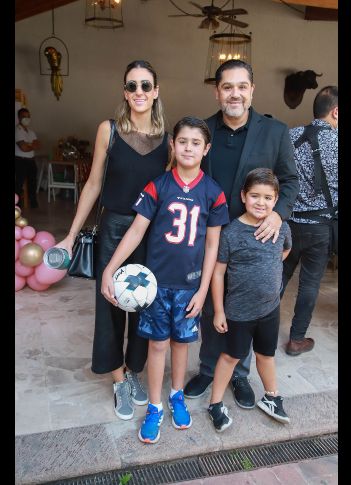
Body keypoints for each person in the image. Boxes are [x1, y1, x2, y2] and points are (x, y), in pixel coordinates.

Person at [54, 60, 170, 421]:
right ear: (125, 92)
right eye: (132, 86)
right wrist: (72, 235)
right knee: (109, 305)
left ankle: (134, 369)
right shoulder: (109, 130)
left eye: (145, 86)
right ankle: (118, 378)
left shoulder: (167, 138)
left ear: (156, 91)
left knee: (143, 304)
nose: (139, 92)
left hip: (149, 231)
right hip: (114, 228)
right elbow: (92, 185)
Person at [101, 116, 229, 444]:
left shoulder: (213, 193)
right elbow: (137, 229)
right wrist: (110, 268)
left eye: (196, 143)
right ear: (172, 145)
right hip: (154, 285)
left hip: (190, 286)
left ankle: (176, 396)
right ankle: (155, 407)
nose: (188, 148)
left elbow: (212, 244)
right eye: (182, 141)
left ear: (206, 148)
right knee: (157, 344)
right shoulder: (158, 186)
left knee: (182, 343)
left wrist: (203, 291)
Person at [183, 60, 298, 410]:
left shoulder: (276, 132)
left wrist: (278, 215)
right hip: (212, 236)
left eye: (242, 86)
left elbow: (290, 181)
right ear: (217, 92)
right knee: (211, 305)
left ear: (252, 91)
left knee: (249, 306)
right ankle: (207, 368)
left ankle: (239, 374)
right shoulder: (205, 131)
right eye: (228, 86)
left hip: (257, 237)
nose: (235, 93)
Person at [208, 168, 292, 431]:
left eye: (268, 197)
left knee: (266, 355)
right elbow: (218, 272)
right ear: (243, 196)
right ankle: (215, 404)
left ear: (276, 200)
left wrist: (267, 273)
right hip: (239, 312)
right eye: (255, 195)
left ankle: (272, 397)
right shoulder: (232, 232)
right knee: (231, 356)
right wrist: (219, 311)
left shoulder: (281, 227)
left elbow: (286, 250)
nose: (261, 202)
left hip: (270, 309)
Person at [279, 86, 338, 355]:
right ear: (336, 112)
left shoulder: (289, 136)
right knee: (310, 284)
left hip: (287, 223)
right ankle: (296, 340)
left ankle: (257, 331)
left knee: (277, 278)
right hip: (321, 227)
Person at [15, 108, 41, 210]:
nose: (27, 119)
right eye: (24, 116)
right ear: (19, 118)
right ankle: (17, 205)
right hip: (20, 161)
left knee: (33, 182)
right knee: (19, 183)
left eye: (28, 116)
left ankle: (33, 202)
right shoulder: (17, 131)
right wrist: (31, 145)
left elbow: (38, 145)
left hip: (31, 160)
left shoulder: (31, 132)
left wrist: (29, 145)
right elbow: (23, 148)